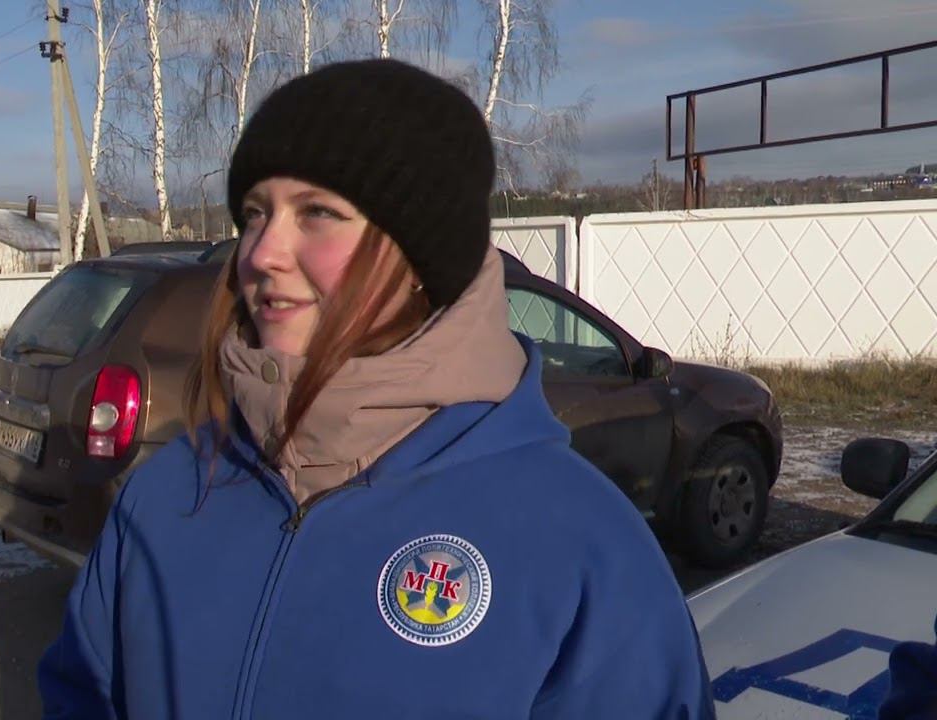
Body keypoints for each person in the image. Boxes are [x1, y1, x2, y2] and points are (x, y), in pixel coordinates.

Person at [39, 58, 714, 719]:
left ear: (421, 255)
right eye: (254, 213)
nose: (261, 253)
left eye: (317, 212)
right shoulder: (170, 492)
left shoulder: (579, 542)